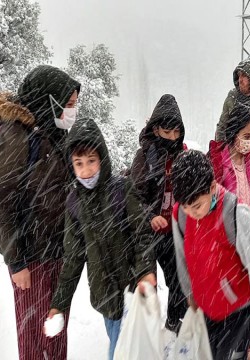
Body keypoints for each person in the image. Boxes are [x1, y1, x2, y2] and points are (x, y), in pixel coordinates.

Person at [47, 118, 156, 360]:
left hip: (133, 290)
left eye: (91, 161)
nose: (86, 171)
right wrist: (60, 303)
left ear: (102, 158)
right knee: (123, 347)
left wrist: (145, 271)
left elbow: (142, 235)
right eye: (79, 163)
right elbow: (73, 257)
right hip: (105, 296)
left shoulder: (121, 189)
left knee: (122, 352)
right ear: (71, 165)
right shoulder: (74, 203)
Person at [0, 65, 80, 360]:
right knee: (34, 340)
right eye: (67, 104)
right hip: (31, 259)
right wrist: (16, 263)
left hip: (55, 253)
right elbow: (4, 202)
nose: (72, 110)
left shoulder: (51, 133)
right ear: (48, 100)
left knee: (55, 331)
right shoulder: (17, 137)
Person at [171, 150, 250, 359]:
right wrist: (190, 293)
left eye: (197, 206)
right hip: (208, 305)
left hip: (238, 308)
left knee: (229, 355)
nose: (192, 213)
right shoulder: (180, 215)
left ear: (212, 187)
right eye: (186, 207)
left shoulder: (235, 214)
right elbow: (182, 257)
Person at [130, 94, 188, 333]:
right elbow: (134, 195)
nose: (172, 138)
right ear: (155, 130)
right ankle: (145, 332)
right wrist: (149, 215)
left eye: (176, 132)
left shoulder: (183, 155)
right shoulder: (144, 156)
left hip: (174, 231)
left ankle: (174, 321)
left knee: (180, 281)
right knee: (146, 285)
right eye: (167, 132)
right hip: (148, 232)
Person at [208, 103, 250, 237]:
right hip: (225, 234)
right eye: (246, 136)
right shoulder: (217, 160)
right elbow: (209, 198)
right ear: (234, 133)